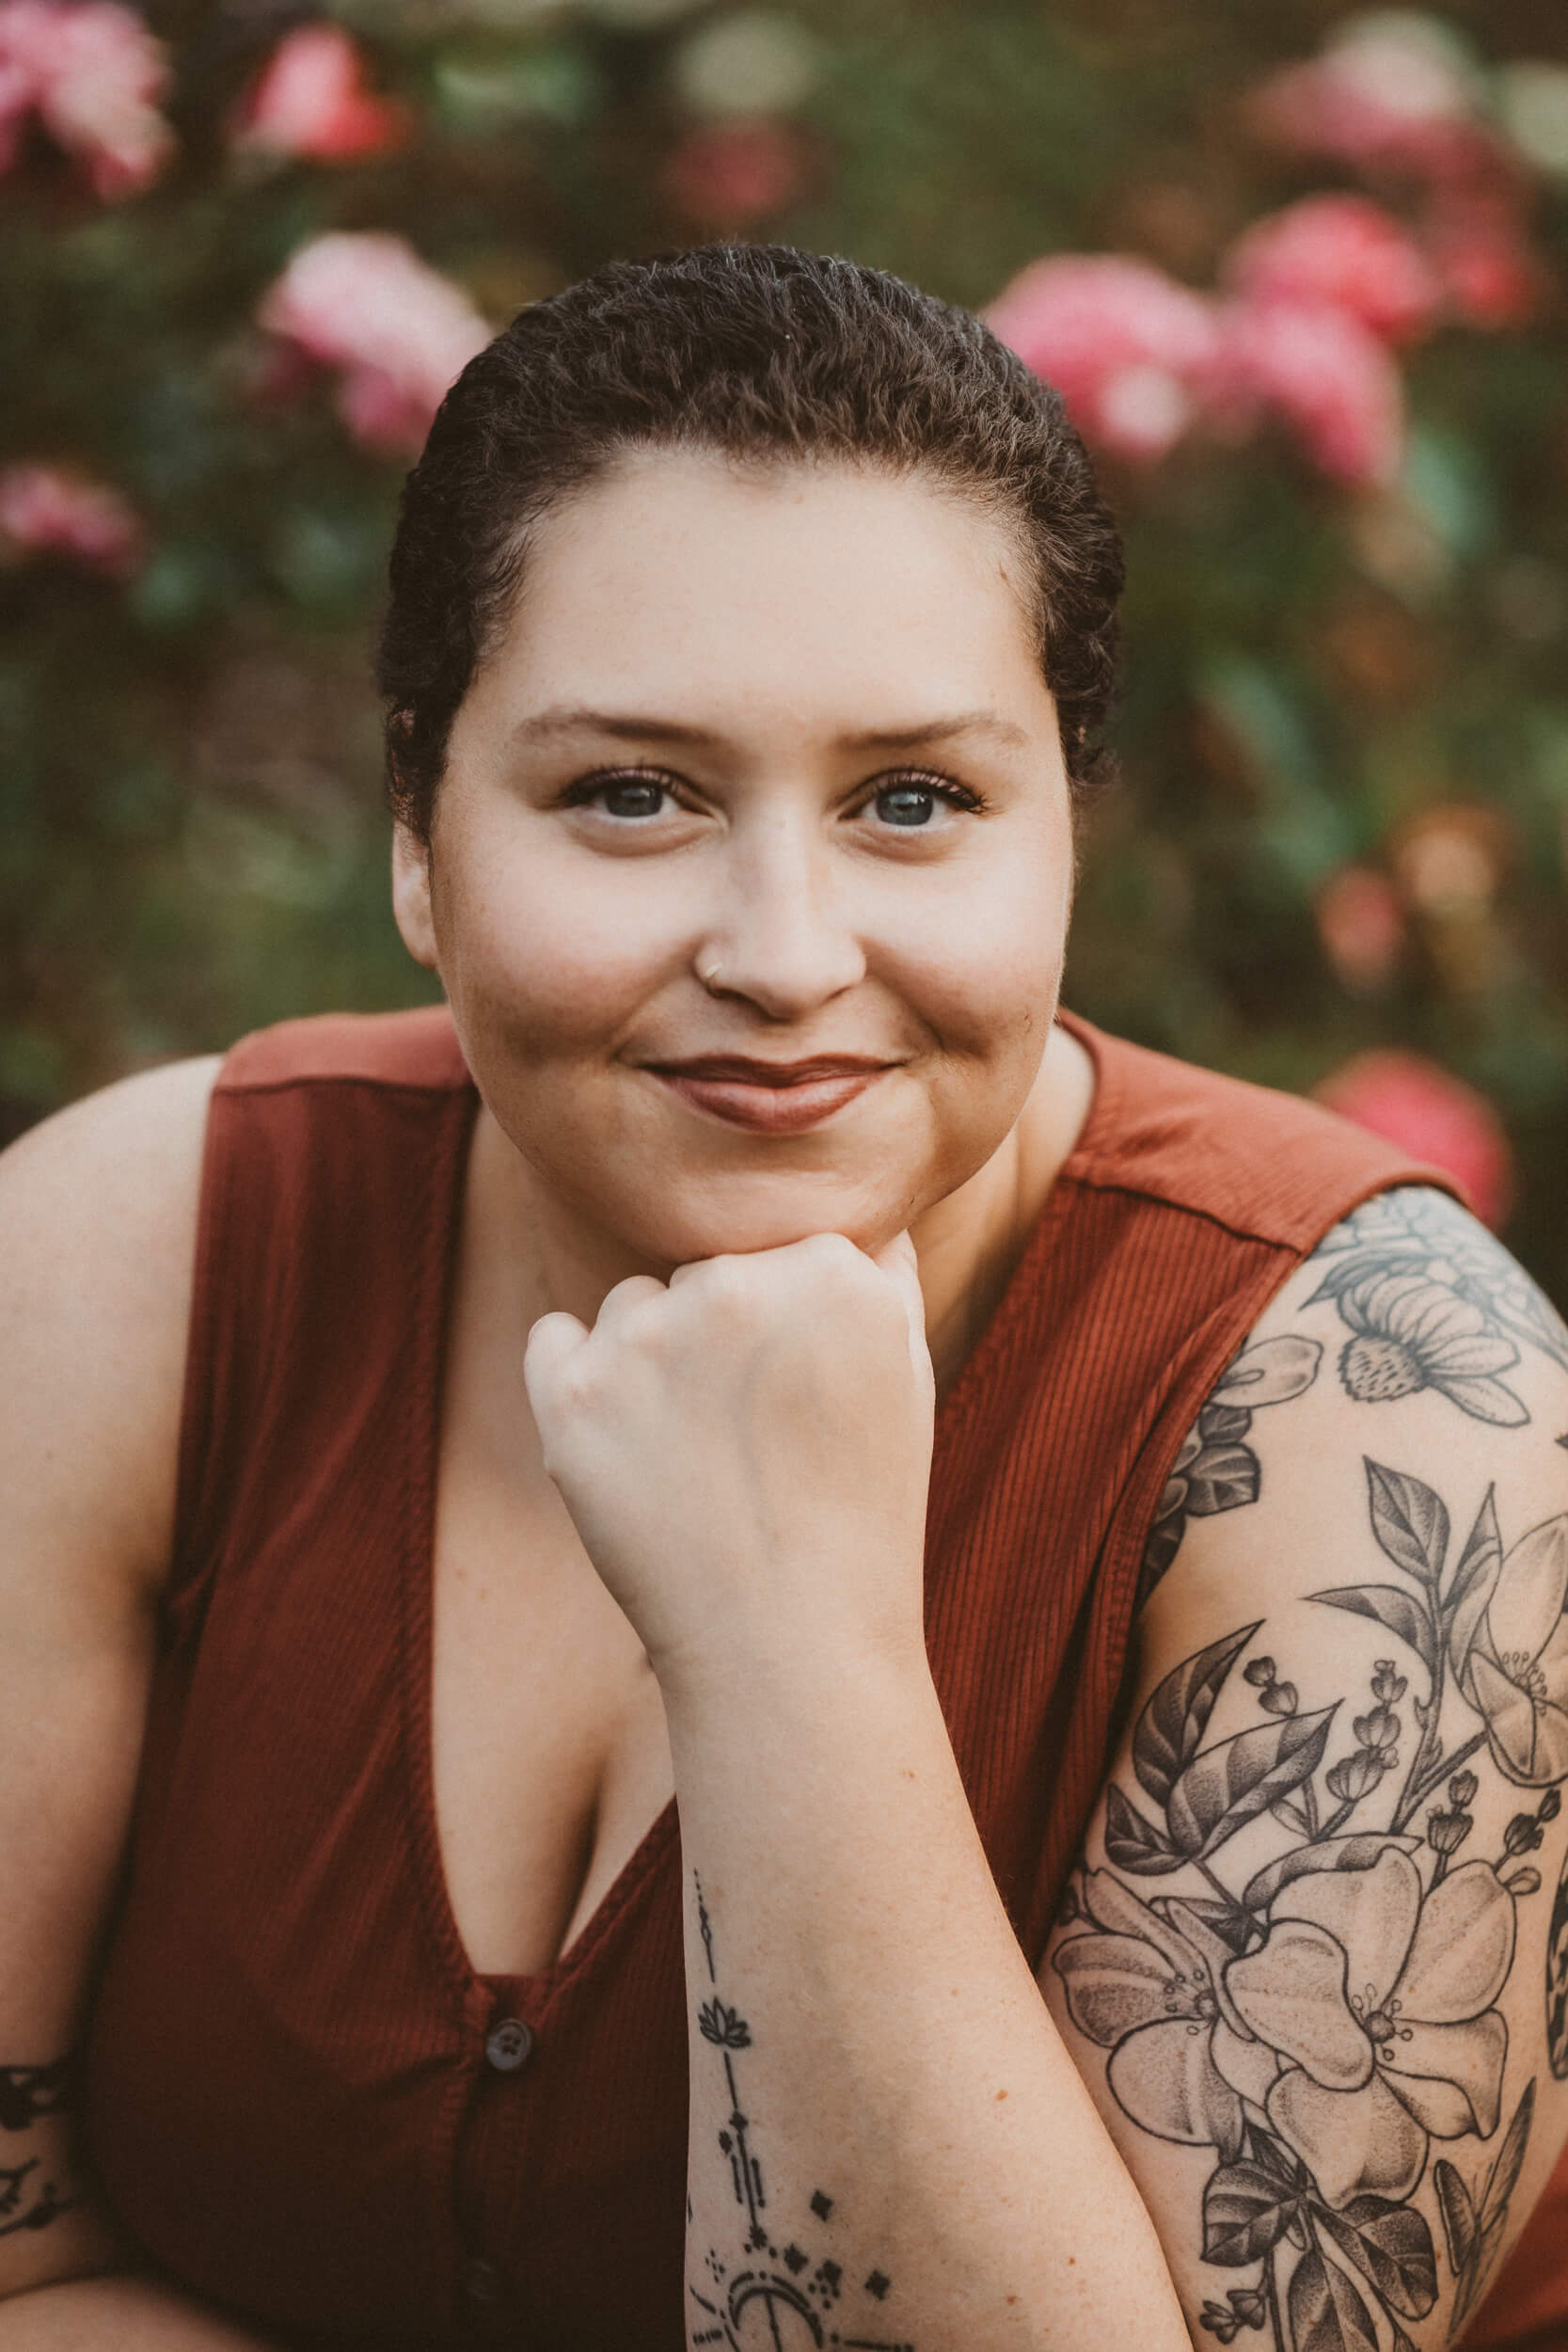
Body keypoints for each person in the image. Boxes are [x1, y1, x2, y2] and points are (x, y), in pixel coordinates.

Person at [1, 243, 1565, 2352]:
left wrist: (793, 1642)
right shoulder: (129, 1264)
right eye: (629, 793)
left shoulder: (1400, 1426)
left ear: (1061, 837)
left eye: (913, 800)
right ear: (415, 829)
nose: (786, 948)